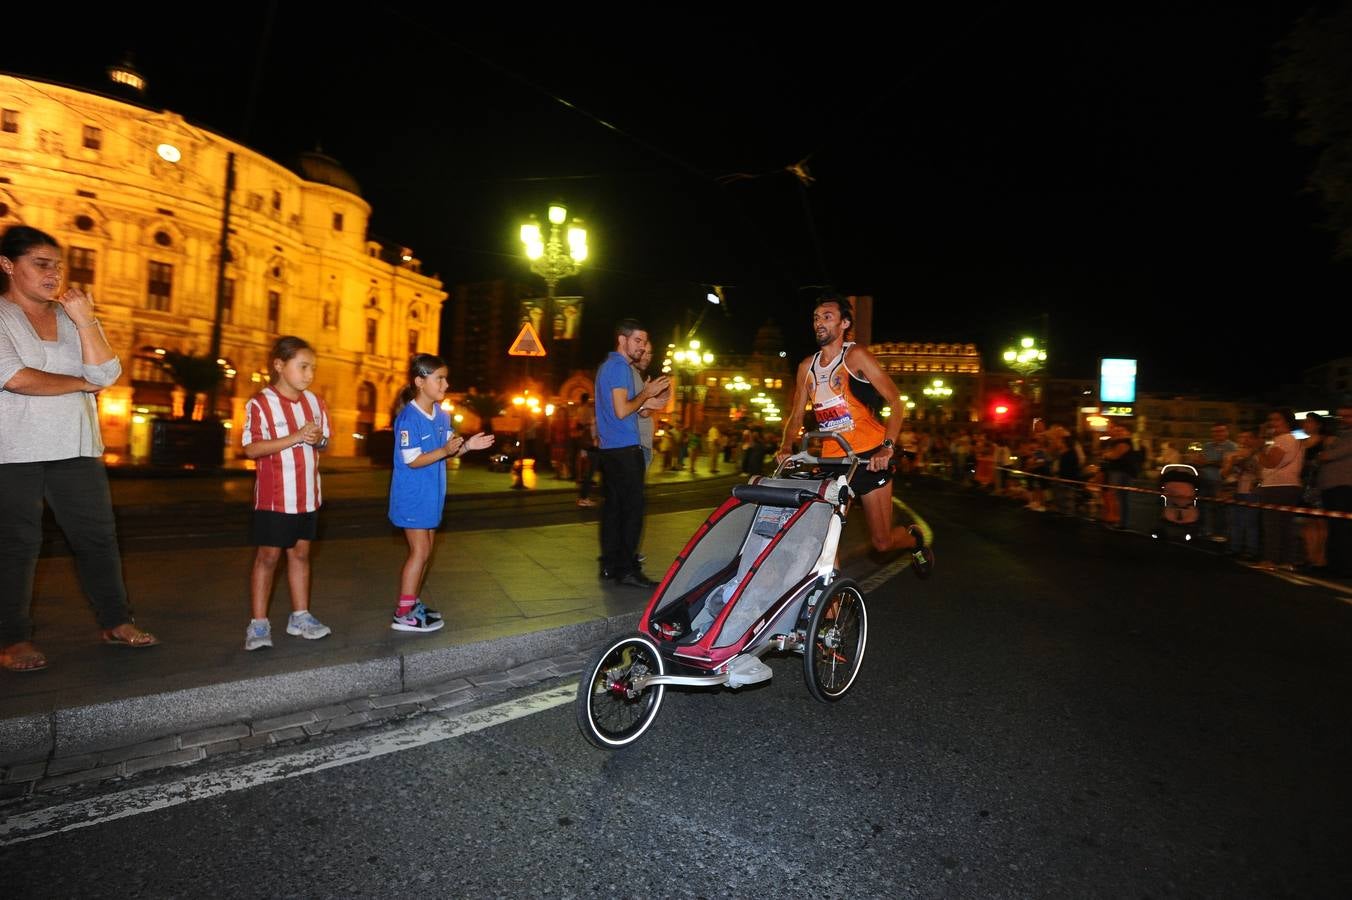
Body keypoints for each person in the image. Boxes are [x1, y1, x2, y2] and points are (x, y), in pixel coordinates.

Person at [0, 225, 158, 672]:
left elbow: (107, 372)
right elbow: (14, 377)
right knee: (16, 543)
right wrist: (79, 384)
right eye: (41, 263)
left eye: (58, 265)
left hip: (77, 444)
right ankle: (11, 639)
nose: (54, 273)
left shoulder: (73, 316)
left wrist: (86, 318)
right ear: (8, 265)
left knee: (98, 539)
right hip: (12, 450)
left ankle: (115, 622)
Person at [777, 292, 933, 577]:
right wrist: (786, 444)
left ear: (844, 323)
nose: (819, 323)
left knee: (882, 542)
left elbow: (896, 402)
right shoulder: (806, 368)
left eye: (827, 317)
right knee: (826, 536)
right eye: (815, 318)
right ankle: (830, 610)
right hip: (833, 461)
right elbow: (796, 415)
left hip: (870, 457)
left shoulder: (856, 356)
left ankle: (914, 539)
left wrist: (887, 447)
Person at [388, 354, 494, 632]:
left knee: (427, 552)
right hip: (412, 496)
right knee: (419, 551)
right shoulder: (408, 418)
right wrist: (444, 451)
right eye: (440, 379)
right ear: (420, 382)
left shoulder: (442, 416)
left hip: (432, 496)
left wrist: (468, 446)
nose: (446, 384)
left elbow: (449, 451)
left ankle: (412, 603)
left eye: (446, 378)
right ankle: (403, 612)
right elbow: (412, 459)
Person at [241, 336, 333, 650]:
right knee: (268, 558)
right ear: (279, 365)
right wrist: (295, 437)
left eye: (313, 368)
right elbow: (252, 448)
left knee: (301, 554)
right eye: (303, 366)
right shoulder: (260, 403)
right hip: (274, 496)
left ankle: (300, 616)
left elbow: (323, 443)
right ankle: (258, 624)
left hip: (308, 496)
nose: (310, 374)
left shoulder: (316, 402)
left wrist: (318, 438)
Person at [594, 319, 669, 587]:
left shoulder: (609, 367)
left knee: (614, 509)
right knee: (632, 511)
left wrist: (649, 402)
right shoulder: (619, 368)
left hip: (610, 450)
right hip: (625, 449)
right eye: (637, 341)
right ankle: (627, 569)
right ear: (622, 340)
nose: (642, 346)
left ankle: (610, 566)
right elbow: (622, 410)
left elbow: (622, 409)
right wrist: (646, 393)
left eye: (644, 342)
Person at [1255, 408, 1304, 571]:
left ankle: (1271, 560)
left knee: (1272, 525)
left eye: (1277, 420)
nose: (1272, 423)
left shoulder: (1284, 439)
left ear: (1287, 422)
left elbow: (1270, 462)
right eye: (1270, 420)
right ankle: (1286, 560)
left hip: (1277, 486)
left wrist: (1259, 449)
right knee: (1285, 525)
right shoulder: (1295, 439)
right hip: (1290, 485)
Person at [1318, 404, 1352, 576]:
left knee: (1341, 528)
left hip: (1343, 488)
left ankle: (1343, 567)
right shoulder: (1339, 435)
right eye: (1340, 416)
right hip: (1330, 487)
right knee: (1334, 527)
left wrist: (1327, 451)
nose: (1343, 420)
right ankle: (1334, 564)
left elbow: (1328, 456)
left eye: (1347, 416)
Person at [574, 392, 598, 508]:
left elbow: (581, 426)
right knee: (590, 472)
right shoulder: (590, 413)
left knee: (590, 472)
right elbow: (592, 431)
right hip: (593, 446)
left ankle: (584, 496)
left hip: (590, 444)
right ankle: (583, 497)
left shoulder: (581, 410)